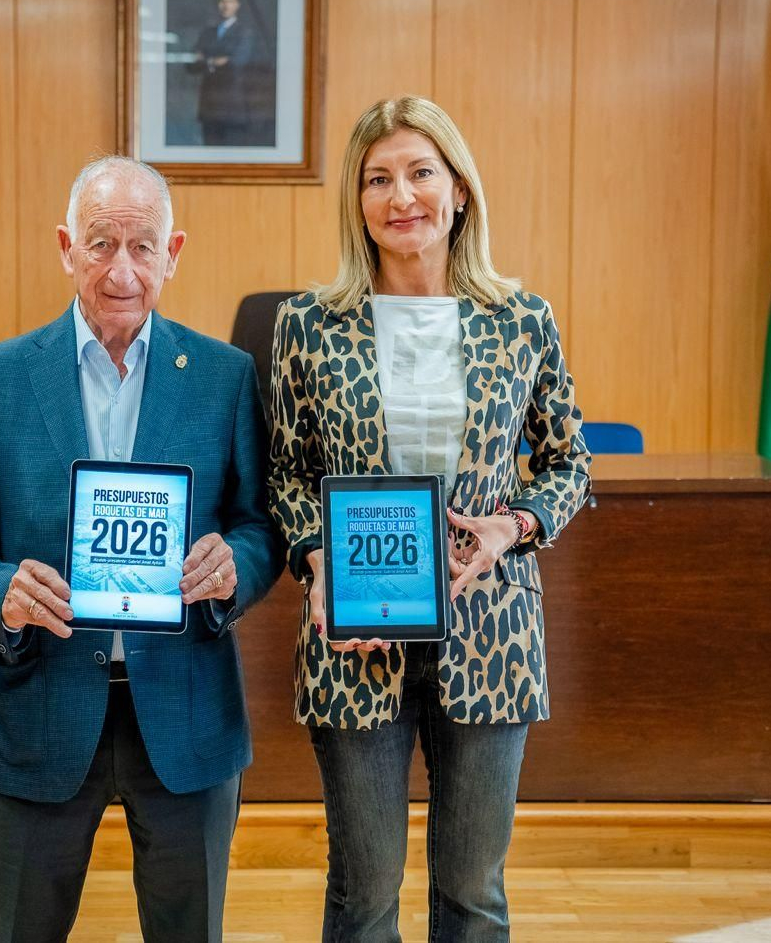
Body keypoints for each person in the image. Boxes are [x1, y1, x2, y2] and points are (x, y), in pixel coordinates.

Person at [0, 155, 283, 943]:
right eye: (100, 244)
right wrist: (1, 595)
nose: (122, 269)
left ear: (173, 253)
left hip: (186, 710)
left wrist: (234, 569)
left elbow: (261, 526)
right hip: (42, 706)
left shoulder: (225, 377)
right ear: (65, 247)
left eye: (143, 246)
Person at [268, 96, 592, 941]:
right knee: (364, 894)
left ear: (458, 191)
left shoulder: (522, 320)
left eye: (420, 172)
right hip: (356, 633)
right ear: (357, 200)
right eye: (378, 179)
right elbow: (286, 474)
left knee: (473, 892)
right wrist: (317, 565)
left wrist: (512, 528)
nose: (400, 195)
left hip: (491, 626)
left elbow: (568, 464)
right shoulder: (307, 324)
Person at [188, 0, 266, 146]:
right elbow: (191, 65)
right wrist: (217, 60)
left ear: (237, 4)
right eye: (222, 1)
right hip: (209, 107)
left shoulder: (245, 32)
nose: (225, 6)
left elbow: (237, 62)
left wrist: (207, 60)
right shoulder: (207, 33)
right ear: (217, 4)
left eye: (230, 1)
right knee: (208, 157)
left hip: (233, 107)